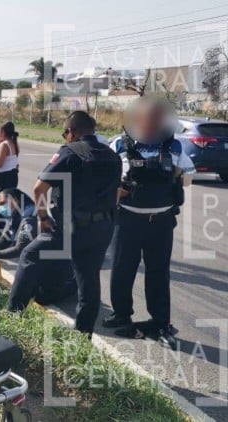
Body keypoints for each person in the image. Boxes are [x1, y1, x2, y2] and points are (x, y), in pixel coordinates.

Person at [8, 111, 122, 335]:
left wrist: (43, 218)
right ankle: (83, 336)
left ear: (70, 132)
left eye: (64, 134)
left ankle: (13, 317)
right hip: (103, 229)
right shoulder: (112, 156)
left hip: (71, 228)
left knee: (30, 255)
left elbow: (39, 189)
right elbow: (116, 194)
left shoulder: (70, 153)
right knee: (89, 280)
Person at [103, 97, 195, 350]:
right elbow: (104, 175)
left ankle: (160, 321)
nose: (152, 121)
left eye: (157, 117)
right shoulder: (119, 144)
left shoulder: (174, 146)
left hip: (161, 222)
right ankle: (121, 314)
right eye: (147, 116)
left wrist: (173, 177)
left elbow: (188, 176)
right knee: (122, 270)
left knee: (158, 273)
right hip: (127, 220)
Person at [0, 121, 19, 194]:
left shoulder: (4, 145)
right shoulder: (13, 143)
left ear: (2, 132)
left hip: (1, 179)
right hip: (11, 177)